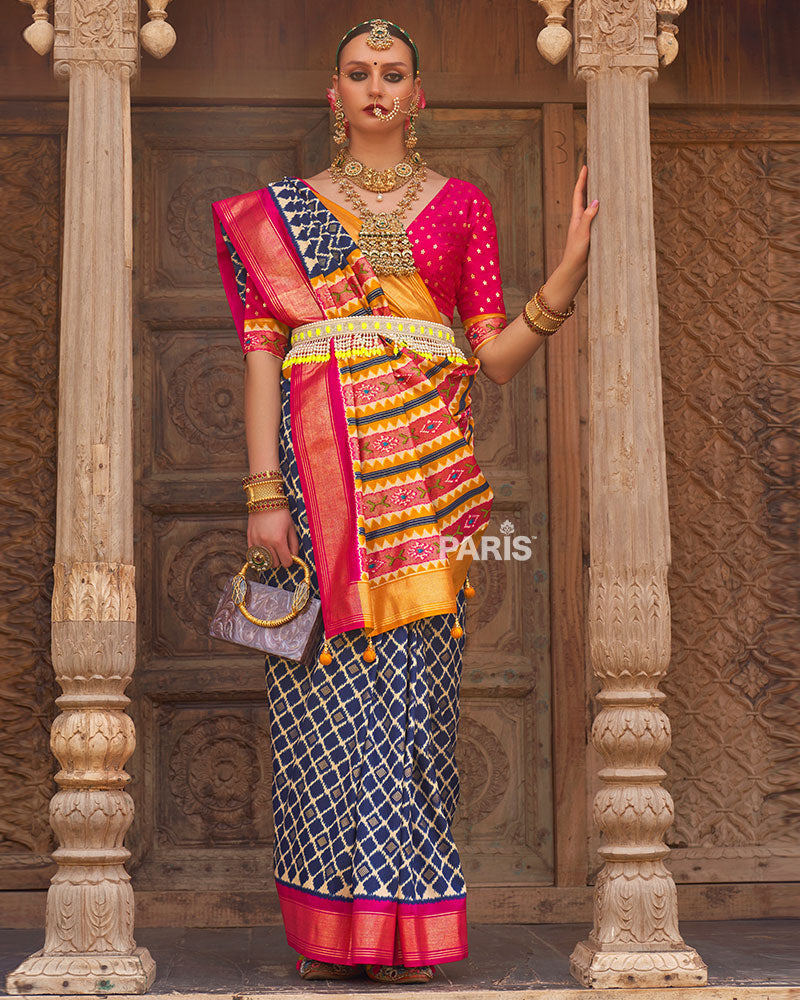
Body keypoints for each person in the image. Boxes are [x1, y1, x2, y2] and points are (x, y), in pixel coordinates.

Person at [211, 17, 597, 985]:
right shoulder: (281, 214)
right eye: (356, 73)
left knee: (413, 705)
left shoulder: (461, 205)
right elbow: (262, 356)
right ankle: (328, 931)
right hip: (312, 475)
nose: (375, 87)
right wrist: (264, 495)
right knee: (317, 702)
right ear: (330, 95)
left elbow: (490, 358)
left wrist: (563, 277)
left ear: (417, 96)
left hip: (426, 483)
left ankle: (400, 927)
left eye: (391, 74)